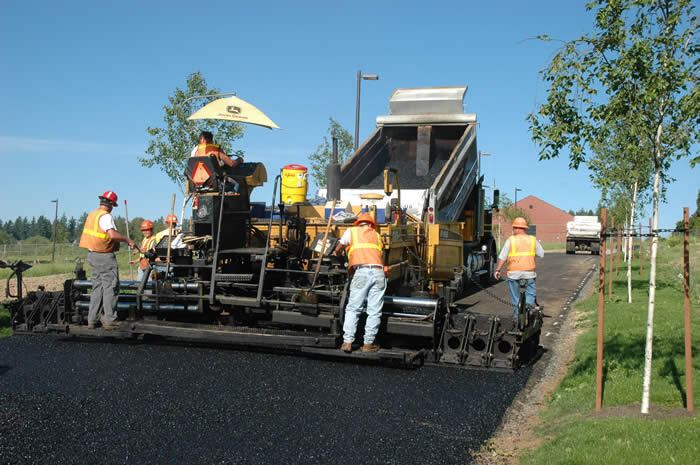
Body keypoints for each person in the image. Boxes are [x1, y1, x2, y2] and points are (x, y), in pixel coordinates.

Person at [78, 191, 135, 329]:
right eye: (113, 205)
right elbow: (112, 234)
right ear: (111, 204)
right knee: (111, 286)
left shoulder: (92, 215)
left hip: (92, 255)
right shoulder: (105, 216)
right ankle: (110, 319)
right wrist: (128, 240)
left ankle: (92, 320)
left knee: (97, 287)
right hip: (104, 256)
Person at [333, 213, 386, 353]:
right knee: (374, 311)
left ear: (359, 224)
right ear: (371, 225)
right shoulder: (378, 236)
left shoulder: (352, 231)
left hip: (362, 272)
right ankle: (368, 345)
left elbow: (339, 248)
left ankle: (347, 342)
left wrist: (337, 254)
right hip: (379, 273)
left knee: (353, 308)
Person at [493, 217, 545, 317]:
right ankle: (528, 310)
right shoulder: (532, 240)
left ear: (517, 228)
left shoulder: (511, 240)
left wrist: (497, 270)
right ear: (524, 228)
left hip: (513, 274)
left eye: (513, 228)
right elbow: (541, 254)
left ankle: (517, 318)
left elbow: (503, 257)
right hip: (529, 273)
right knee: (530, 294)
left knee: (515, 298)